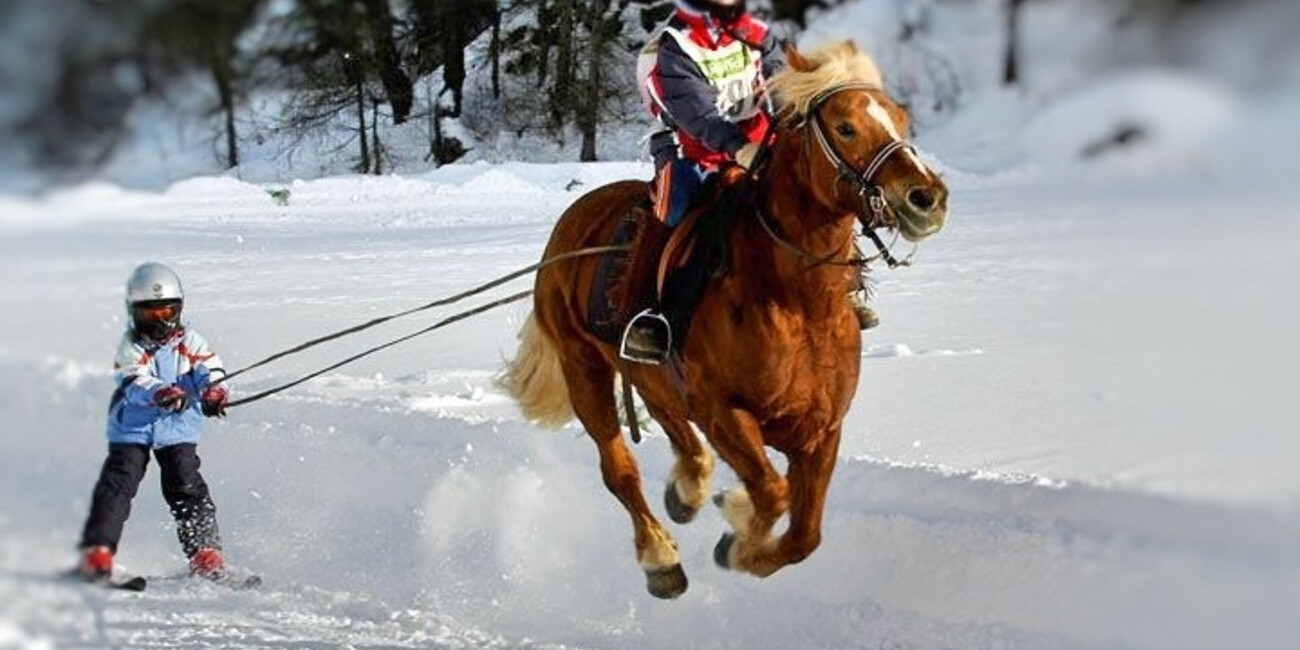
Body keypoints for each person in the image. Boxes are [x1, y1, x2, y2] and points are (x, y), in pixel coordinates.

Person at [623, 0, 877, 364]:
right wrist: (738, 147)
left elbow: (777, 82)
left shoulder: (754, 30)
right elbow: (697, 114)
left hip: (758, 141)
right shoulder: (674, 46)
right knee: (673, 209)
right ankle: (649, 312)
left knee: (814, 190)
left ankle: (843, 287)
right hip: (690, 149)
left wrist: (792, 119)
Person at [76, 262, 232, 582]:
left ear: (179, 309)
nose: (160, 322)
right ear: (134, 313)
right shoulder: (130, 345)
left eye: (167, 312)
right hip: (133, 427)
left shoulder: (191, 341)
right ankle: (98, 553)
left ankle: (205, 553)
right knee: (119, 484)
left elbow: (210, 369)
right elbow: (133, 379)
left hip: (177, 429)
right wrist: (161, 392)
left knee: (186, 483)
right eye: (150, 314)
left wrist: (215, 391)